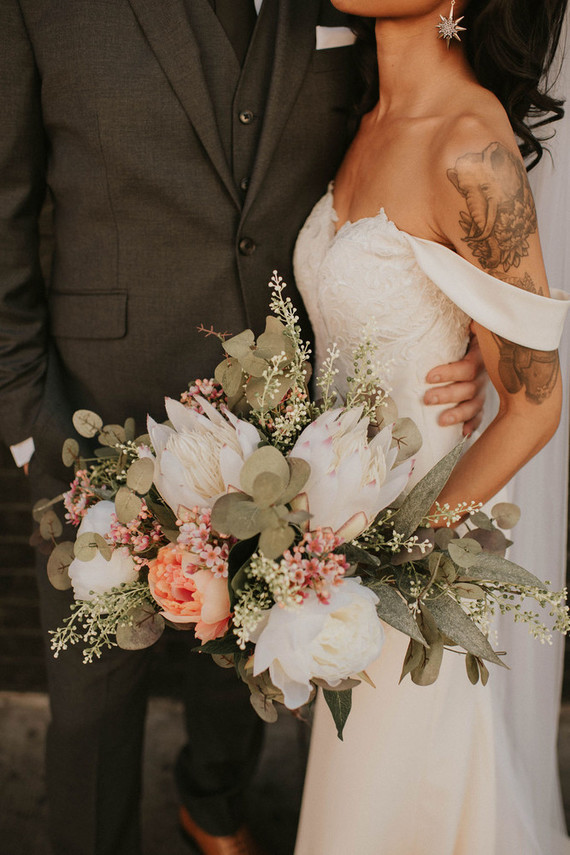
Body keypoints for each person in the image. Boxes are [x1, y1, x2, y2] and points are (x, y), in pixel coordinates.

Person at [0, 2, 487, 855]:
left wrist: (466, 312)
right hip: (100, 413)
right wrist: (24, 417)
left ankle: (214, 805)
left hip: (287, 422)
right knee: (91, 705)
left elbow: (412, 138)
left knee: (253, 659)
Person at [292, 2, 570, 854]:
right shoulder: (365, 115)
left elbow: (536, 405)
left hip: (412, 577)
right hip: (336, 555)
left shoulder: (469, 146)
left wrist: (394, 566)